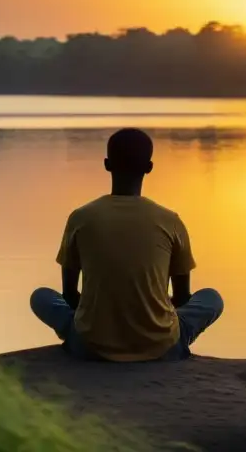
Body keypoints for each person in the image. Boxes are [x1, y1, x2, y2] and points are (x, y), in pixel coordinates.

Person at [30, 128, 224, 362]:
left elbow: (69, 294)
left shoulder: (80, 218)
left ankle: (93, 331)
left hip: (89, 344)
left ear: (107, 164)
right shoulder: (170, 221)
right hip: (161, 346)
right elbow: (182, 297)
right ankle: (159, 335)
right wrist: (151, 311)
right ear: (149, 167)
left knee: (41, 297)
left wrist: (102, 312)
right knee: (211, 298)